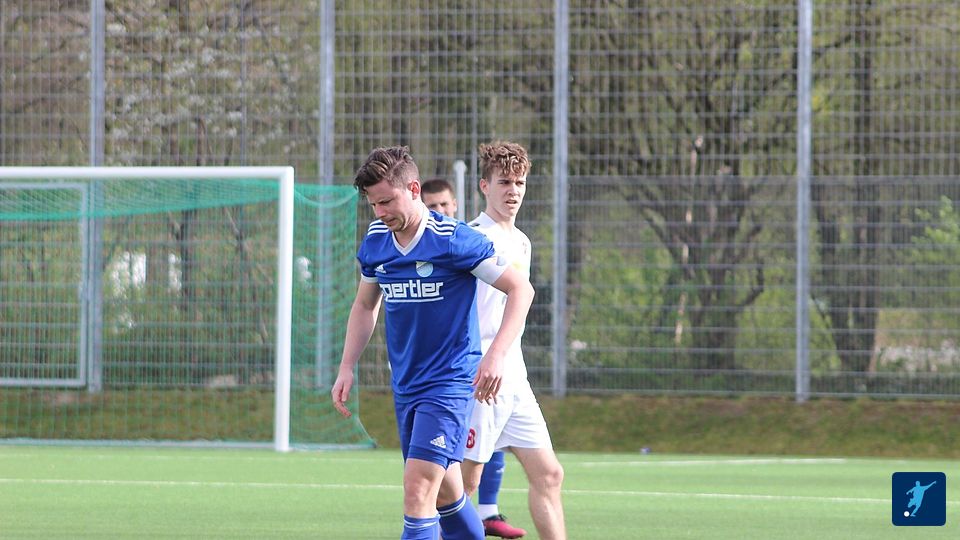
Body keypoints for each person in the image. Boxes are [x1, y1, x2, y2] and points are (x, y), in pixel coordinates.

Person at [331, 145, 535, 540]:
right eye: (373, 204)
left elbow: (520, 290)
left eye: (387, 201)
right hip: (406, 384)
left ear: (413, 189)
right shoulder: (377, 240)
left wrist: (495, 355)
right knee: (447, 493)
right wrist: (346, 366)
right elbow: (365, 305)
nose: (380, 212)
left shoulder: (453, 239)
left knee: (418, 488)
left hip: (449, 384)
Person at [461, 141, 566, 540]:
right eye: (504, 181)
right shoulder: (471, 237)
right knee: (464, 484)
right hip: (481, 376)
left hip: (514, 378)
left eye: (519, 182)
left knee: (549, 474)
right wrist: (486, 357)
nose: (513, 190)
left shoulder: (522, 241)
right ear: (484, 186)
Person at [421, 176, 522, 539]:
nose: (440, 211)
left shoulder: (472, 242)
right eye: (432, 206)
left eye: (444, 205)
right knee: (457, 472)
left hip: (499, 361)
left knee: (543, 469)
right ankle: (442, 525)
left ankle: (486, 512)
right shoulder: (437, 247)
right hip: (461, 366)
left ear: (455, 205)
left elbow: (519, 291)